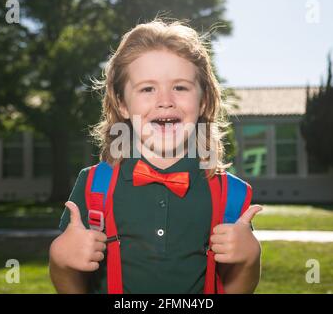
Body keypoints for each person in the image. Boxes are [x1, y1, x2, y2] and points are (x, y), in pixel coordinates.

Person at [49, 19, 262, 294]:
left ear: (204, 101)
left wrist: (249, 259)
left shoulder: (229, 194)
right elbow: (69, 281)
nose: (165, 100)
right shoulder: (93, 185)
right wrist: (60, 260)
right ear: (122, 104)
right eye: (147, 88)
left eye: (181, 87)